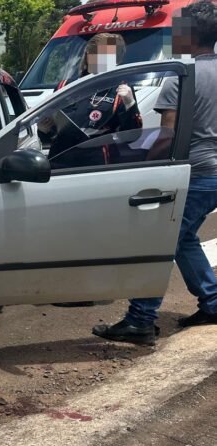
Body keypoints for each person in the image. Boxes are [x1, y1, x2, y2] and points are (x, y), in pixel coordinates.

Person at [93, 0, 217, 345]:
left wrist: (149, 174)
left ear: (189, 35)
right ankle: (212, 300)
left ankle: (141, 319)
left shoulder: (181, 75)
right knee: (182, 237)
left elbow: (168, 135)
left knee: (161, 240)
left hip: (195, 171)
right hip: (215, 174)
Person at [38, 33, 142, 168]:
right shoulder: (65, 86)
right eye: (94, 53)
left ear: (116, 60)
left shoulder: (120, 89)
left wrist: (130, 104)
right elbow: (50, 134)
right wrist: (43, 129)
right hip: (60, 159)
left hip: (96, 162)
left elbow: (133, 135)